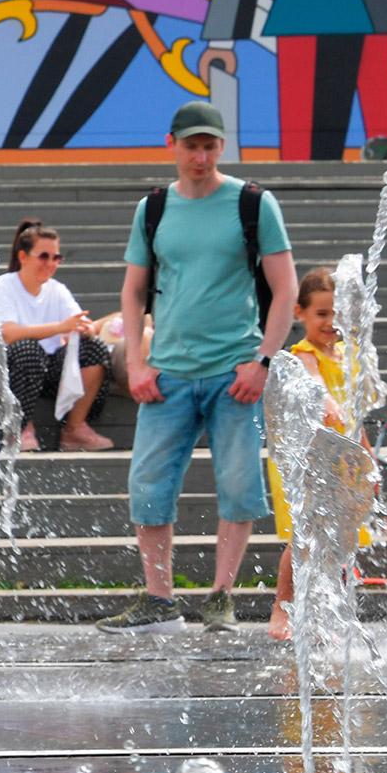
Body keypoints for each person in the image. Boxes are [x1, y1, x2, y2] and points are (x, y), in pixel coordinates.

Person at [98, 100, 297, 636]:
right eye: (192, 146)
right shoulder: (154, 208)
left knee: (238, 486)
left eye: (210, 146)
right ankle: (159, 599)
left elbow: (286, 291)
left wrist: (263, 362)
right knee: (148, 486)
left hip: (235, 371)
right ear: (173, 145)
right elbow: (133, 290)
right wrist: (135, 362)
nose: (201, 157)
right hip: (167, 372)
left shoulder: (254, 203)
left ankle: (220, 596)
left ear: (221, 148)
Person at [266, 268, 365, 640]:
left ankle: (318, 610)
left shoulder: (345, 356)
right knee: (305, 535)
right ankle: (282, 606)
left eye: (337, 314)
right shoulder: (303, 354)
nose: (330, 322)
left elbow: (355, 418)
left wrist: (366, 460)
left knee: (332, 540)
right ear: (300, 313)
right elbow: (313, 382)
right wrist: (324, 398)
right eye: (322, 313)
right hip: (310, 462)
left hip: (344, 462)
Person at [0, 219, 114, 452]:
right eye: (44, 256)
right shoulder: (4, 286)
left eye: (56, 257)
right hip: (12, 372)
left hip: (50, 372)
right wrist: (60, 327)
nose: (51, 263)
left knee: (94, 349)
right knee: (27, 349)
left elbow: (80, 322)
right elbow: (8, 334)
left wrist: (83, 329)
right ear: (22, 257)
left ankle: (74, 429)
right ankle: (20, 427)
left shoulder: (57, 290)